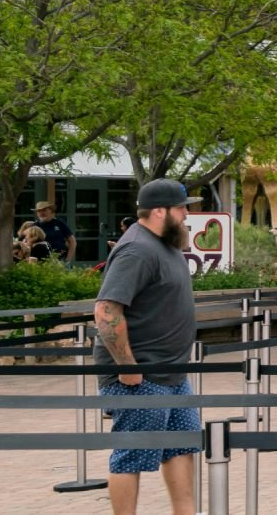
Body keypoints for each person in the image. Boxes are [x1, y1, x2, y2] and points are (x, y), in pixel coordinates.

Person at [92, 178, 201, 515]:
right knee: (131, 456)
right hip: (142, 376)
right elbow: (106, 310)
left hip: (172, 372)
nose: (186, 214)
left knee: (181, 446)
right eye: (182, 208)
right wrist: (128, 369)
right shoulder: (137, 248)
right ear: (159, 211)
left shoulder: (165, 244)